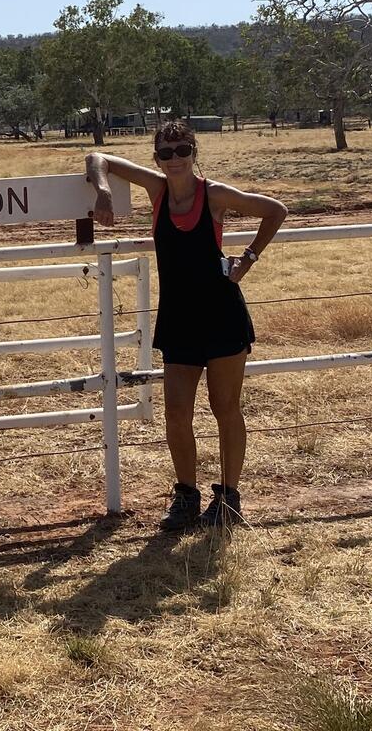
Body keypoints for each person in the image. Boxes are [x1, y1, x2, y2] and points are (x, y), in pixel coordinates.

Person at [86, 120, 287, 531]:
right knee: (176, 414)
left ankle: (228, 499)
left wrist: (249, 258)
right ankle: (186, 498)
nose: (174, 158)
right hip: (178, 320)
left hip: (222, 316)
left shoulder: (214, 194)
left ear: (194, 153)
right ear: (157, 158)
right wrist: (103, 191)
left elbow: (275, 211)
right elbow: (97, 157)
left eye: (182, 150)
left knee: (225, 408)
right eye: (166, 152)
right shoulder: (157, 191)